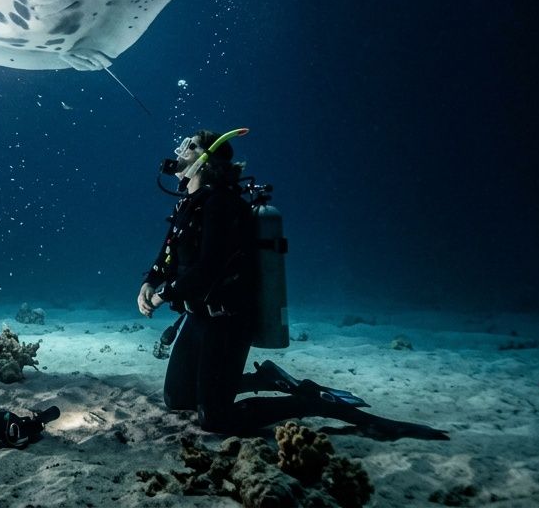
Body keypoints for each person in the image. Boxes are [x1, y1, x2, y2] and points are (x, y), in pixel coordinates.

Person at [138, 129, 447, 441]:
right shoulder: (189, 205)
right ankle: (266, 378)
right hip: (198, 317)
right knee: (177, 399)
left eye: (189, 147)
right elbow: (169, 251)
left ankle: (311, 403)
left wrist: (165, 294)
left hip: (227, 322)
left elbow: (209, 267)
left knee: (215, 418)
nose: (179, 151)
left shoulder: (222, 204)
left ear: (205, 161)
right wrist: (150, 282)